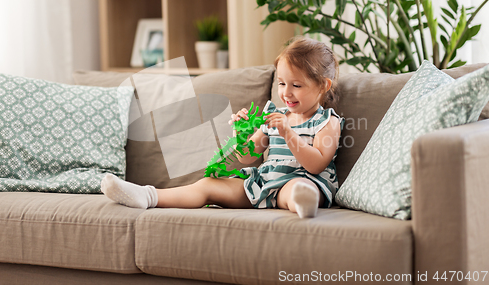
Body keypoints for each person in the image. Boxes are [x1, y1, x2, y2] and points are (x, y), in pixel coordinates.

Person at [101, 36, 344, 218]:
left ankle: (304, 204)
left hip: (301, 181)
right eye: (281, 83)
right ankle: (147, 195)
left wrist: (288, 133)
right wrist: (242, 132)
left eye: (297, 86)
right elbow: (248, 157)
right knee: (208, 185)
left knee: (297, 188)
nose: (286, 92)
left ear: (323, 85)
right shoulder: (275, 115)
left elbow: (316, 165)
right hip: (262, 184)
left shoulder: (327, 122)